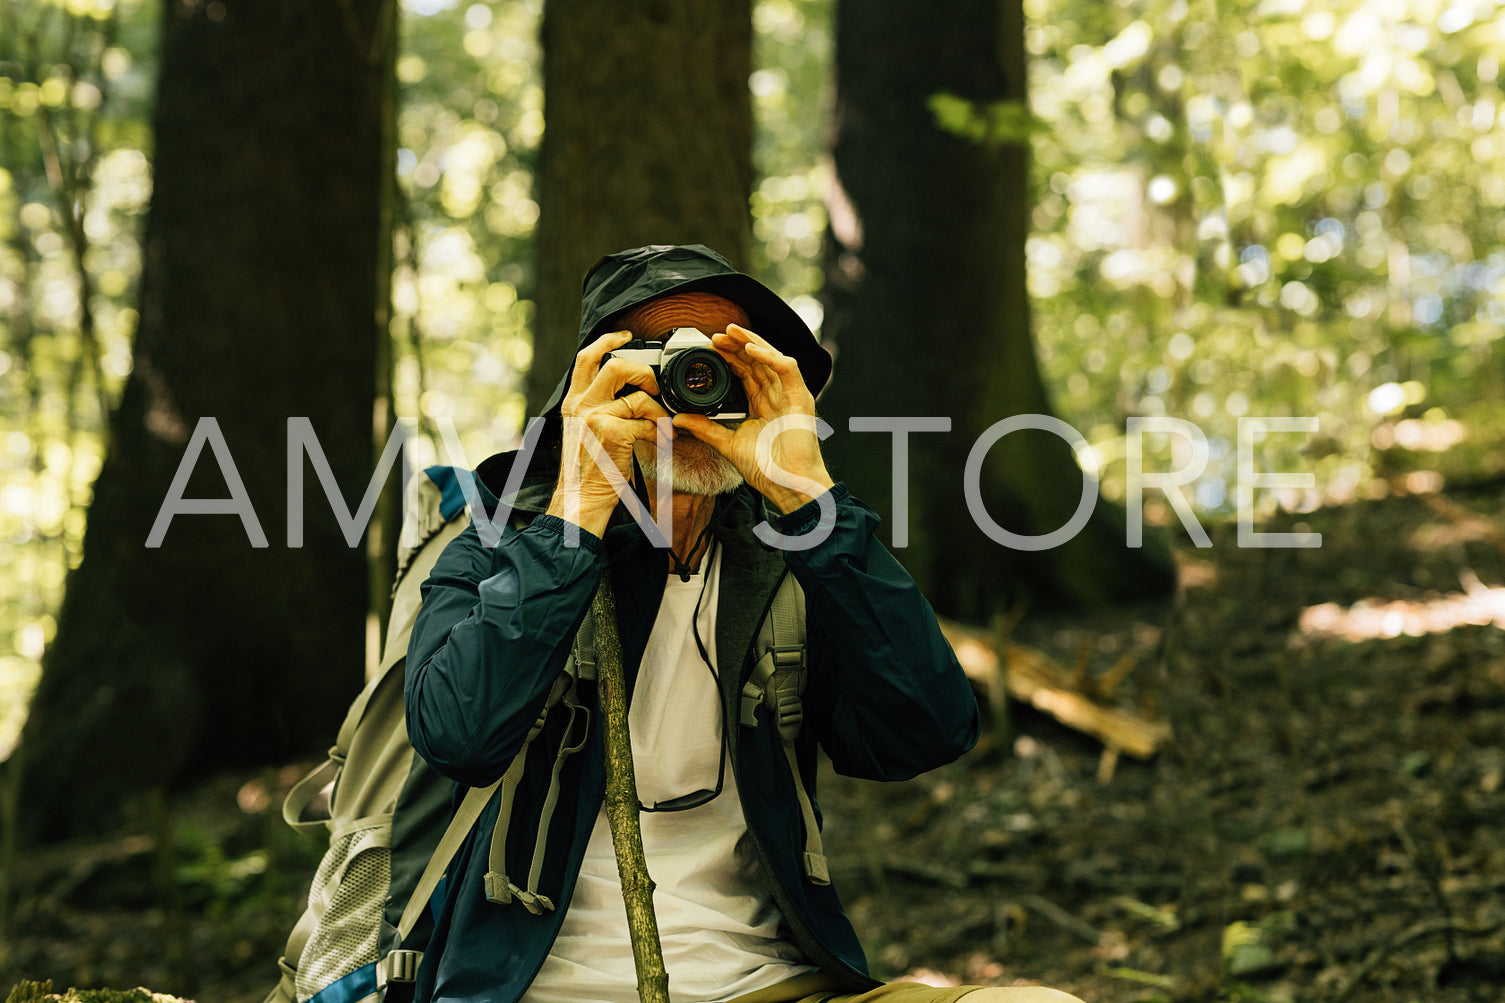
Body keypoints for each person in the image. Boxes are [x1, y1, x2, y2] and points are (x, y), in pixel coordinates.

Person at [404, 244, 1083, 1003]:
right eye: (657, 367)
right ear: (593, 389)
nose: (689, 396)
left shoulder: (787, 559)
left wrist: (811, 504)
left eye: (720, 368)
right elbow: (455, 734)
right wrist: (577, 514)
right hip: (540, 989)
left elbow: (925, 730)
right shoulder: (503, 545)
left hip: (769, 983)